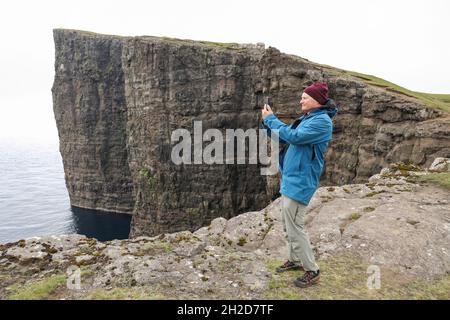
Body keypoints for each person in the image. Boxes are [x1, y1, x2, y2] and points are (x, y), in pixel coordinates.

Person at [261, 82, 338, 288]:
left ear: (317, 100)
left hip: (301, 181)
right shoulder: (308, 118)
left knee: (295, 226)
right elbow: (284, 136)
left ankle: (312, 270)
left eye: (304, 97)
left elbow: (294, 136)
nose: (300, 100)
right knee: (287, 224)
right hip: (291, 178)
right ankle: (295, 260)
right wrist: (266, 123)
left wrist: (272, 120)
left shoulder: (322, 122)